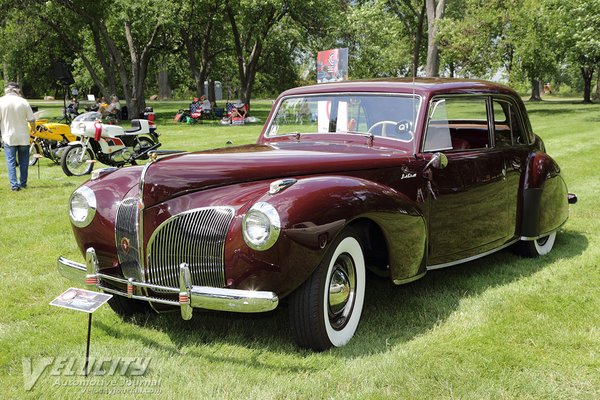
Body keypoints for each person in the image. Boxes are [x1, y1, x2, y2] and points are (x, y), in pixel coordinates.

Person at [0, 82, 35, 191]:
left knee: (11, 162)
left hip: (8, 136)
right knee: (24, 162)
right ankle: (23, 183)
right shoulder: (23, 102)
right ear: (18, 90)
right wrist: (33, 129)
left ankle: (14, 185)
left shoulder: (1, 101)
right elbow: (31, 119)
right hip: (23, 136)